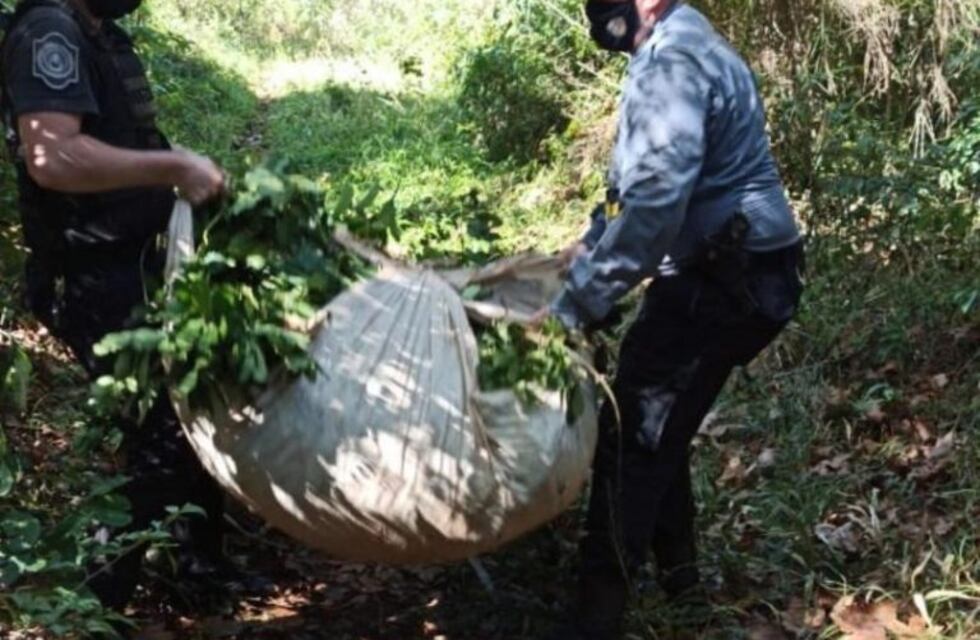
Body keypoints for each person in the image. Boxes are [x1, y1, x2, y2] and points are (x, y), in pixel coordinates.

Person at [532, 1, 805, 638]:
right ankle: (681, 582)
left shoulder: (675, 60)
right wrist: (593, 240)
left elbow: (655, 205)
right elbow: (640, 177)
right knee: (657, 417)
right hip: (733, 268)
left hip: (729, 279)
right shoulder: (676, 46)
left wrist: (576, 304)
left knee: (635, 433)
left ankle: (597, 613)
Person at [1, 0, 229, 616]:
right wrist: (175, 168)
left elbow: (119, 140)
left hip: (131, 262)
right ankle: (96, 607)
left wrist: (176, 163)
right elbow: (52, 156)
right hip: (89, 278)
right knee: (161, 431)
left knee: (187, 407)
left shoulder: (100, 35)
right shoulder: (49, 31)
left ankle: (198, 571)